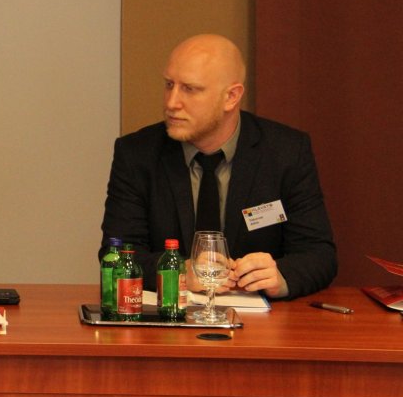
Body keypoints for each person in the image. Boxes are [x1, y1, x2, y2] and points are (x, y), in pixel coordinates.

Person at [99, 34, 336, 299]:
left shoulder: (285, 152)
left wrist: (281, 277)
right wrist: (178, 272)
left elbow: (319, 254)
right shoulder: (137, 153)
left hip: (260, 318)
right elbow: (117, 253)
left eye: (190, 89)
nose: (171, 103)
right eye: (169, 85)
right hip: (169, 315)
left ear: (231, 97)